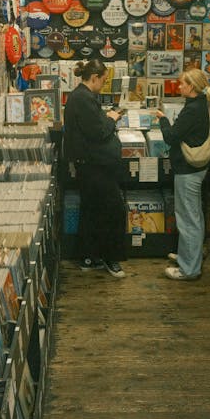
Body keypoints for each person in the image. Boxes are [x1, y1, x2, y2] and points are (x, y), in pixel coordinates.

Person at [63, 59, 127, 278]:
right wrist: (112, 118)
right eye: (103, 80)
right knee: (112, 209)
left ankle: (89, 256)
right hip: (94, 166)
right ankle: (111, 258)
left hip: (89, 165)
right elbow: (98, 132)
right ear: (95, 78)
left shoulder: (81, 97)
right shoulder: (83, 99)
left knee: (92, 211)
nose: (104, 84)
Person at [156, 68, 210, 281]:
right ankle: (189, 255)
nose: (179, 86)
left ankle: (189, 269)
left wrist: (162, 119)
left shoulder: (192, 109)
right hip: (197, 169)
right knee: (194, 216)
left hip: (188, 171)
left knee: (188, 219)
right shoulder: (200, 103)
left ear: (191, 86)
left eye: (182, 83)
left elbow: (171, 137)